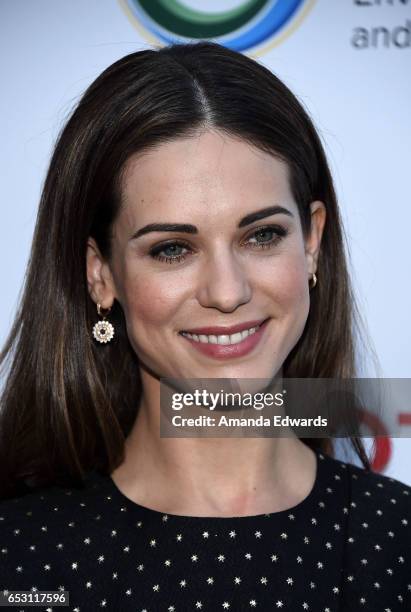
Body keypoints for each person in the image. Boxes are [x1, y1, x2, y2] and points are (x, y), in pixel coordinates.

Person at [0, 41, 409, 611]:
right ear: (101, 274)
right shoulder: (19, 558)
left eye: (262, 235)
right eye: (172, 249)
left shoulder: (397, 544)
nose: (227, 291)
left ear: (312, 242)